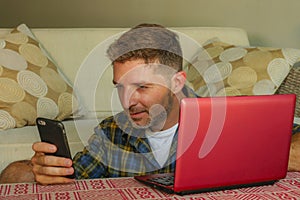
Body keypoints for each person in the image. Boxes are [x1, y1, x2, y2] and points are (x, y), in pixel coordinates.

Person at [0, 23, 300, 185]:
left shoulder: (228, 119)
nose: (129, 100)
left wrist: (261, 156)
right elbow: (66, 177)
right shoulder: (112, 133)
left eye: (142, 86)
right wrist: (36, 170)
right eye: (121, 87)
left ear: (177, 83)